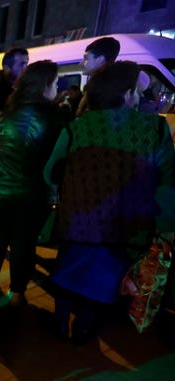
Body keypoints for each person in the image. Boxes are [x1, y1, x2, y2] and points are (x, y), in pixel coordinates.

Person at [44, 61, 175, 344]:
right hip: (125, 229)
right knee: (100, 284)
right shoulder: (154, 129)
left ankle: (59, 326)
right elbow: (167, 183)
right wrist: (163, 227)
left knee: (67, 276)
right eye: (136, 93)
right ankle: (82, 331)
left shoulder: (76, 128)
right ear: (127, 94)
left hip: (77, 223)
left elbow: (50, 172)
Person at [0, 60, 67, 308]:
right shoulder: (57, 121)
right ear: (44, 86)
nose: (58, 88)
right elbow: (60, 166)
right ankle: (17, 293)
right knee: (24, 246)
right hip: (33, 197)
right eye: (55, 83)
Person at [75, 36, 120, 117]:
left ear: (100, 59)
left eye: (86, 58)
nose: (81, 63)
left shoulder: (100, 88)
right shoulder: (114, 83)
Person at [0, 47, 29, 112]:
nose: (25, 68)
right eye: (21, 64)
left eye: (26, 64)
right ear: (7, 68)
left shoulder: (27, 89)